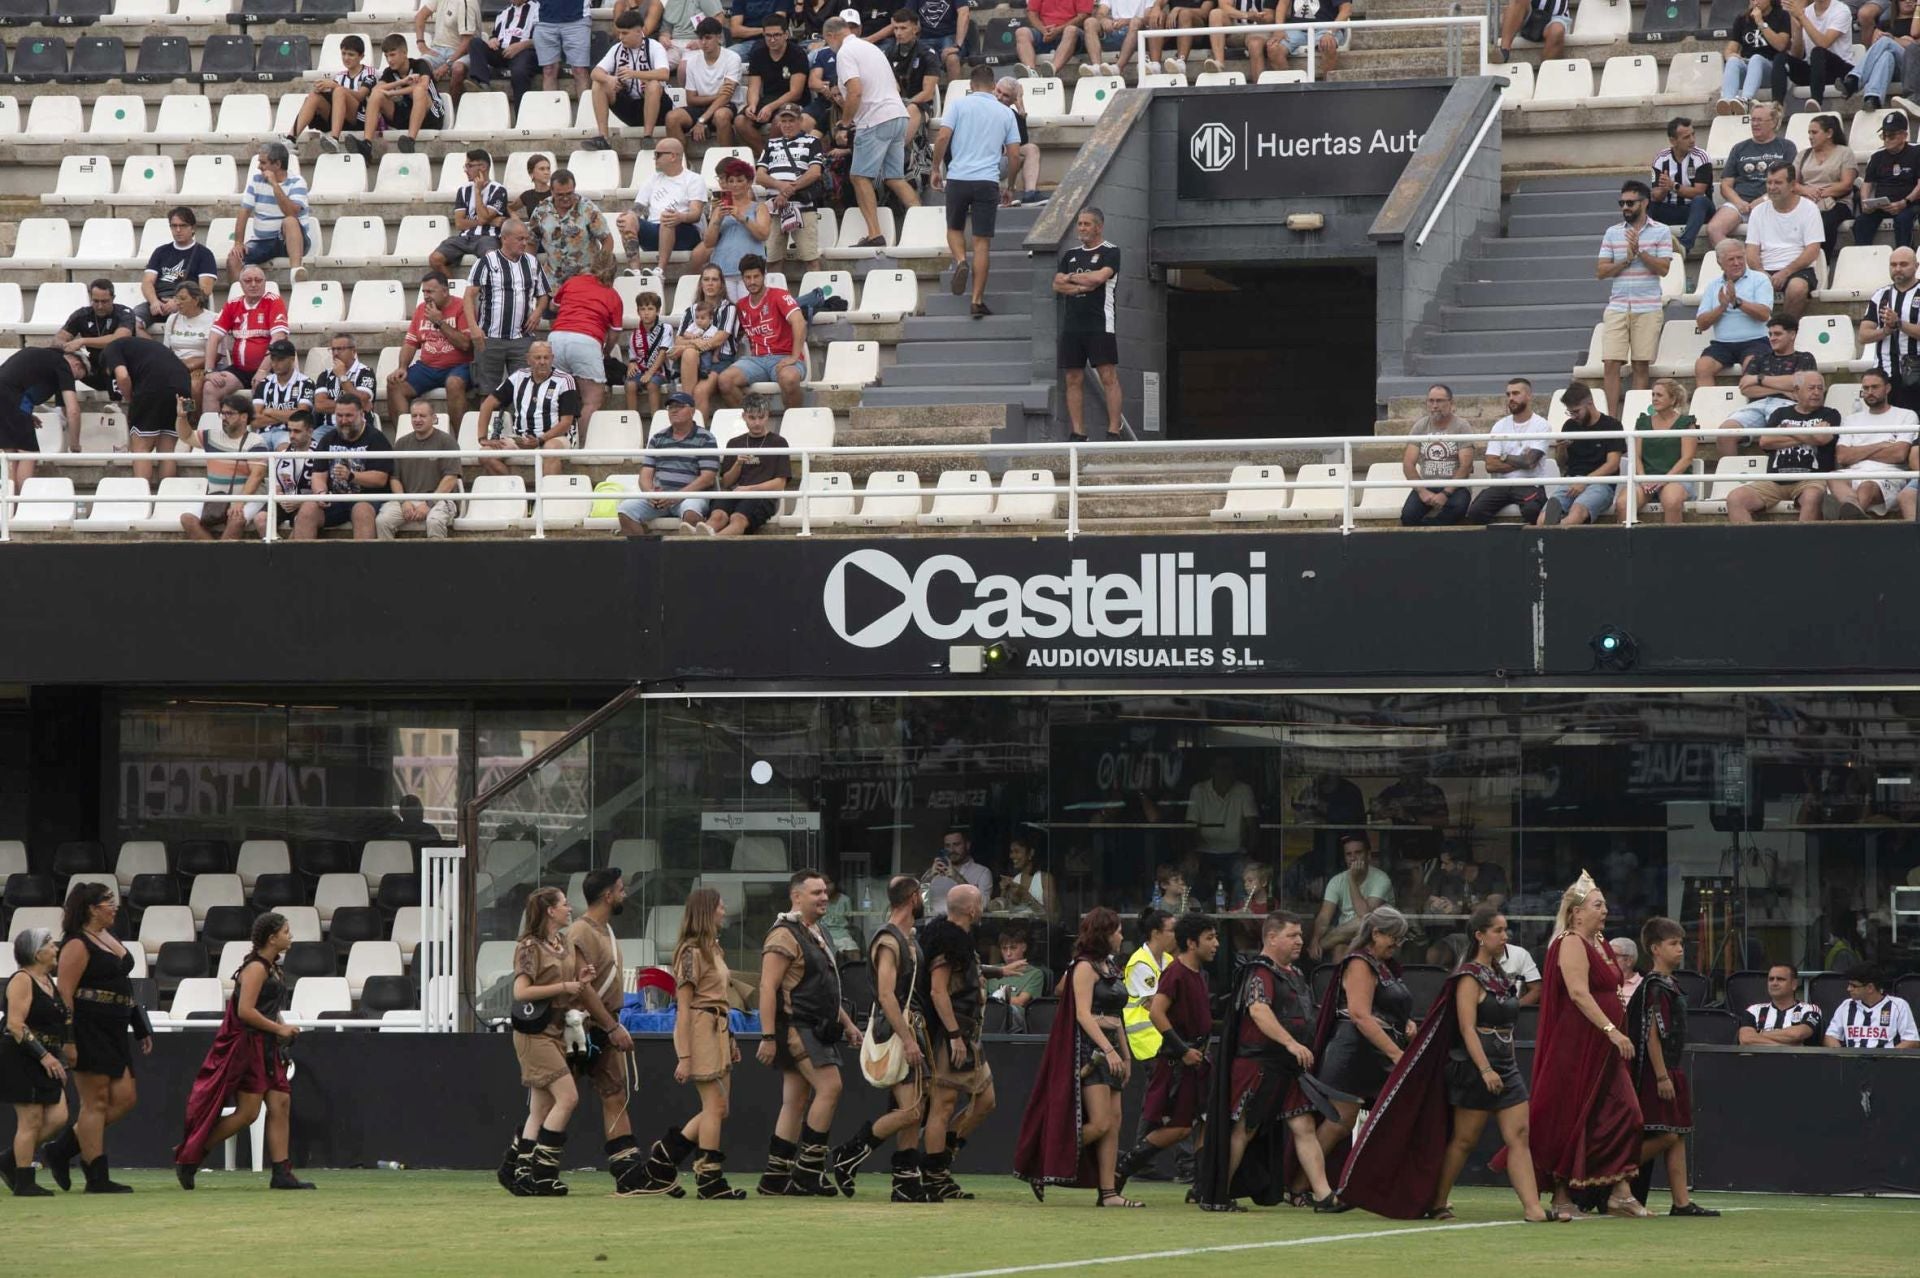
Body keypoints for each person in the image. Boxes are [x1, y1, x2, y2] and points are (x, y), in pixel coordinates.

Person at [1339, 906, 1549, 1222]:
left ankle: (1533, 1209)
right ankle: (1437, 1201)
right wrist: (1485, 1069)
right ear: (1480, 936)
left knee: (1519, 1135)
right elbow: (1465, 1028)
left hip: (1506, 1063)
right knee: (1464, 1140)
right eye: (1498, 930)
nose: (1505, 936)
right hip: (1476, 1068)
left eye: (1506, 930)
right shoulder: (1468, 977)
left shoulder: (1500, 976)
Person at [1192, 912, 1348, 1213]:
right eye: (1292, 935)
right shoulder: (1260, 972)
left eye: (1301, 935)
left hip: (1286, 1067)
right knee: (1245, 1129)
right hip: (1258, 1067)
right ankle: (1217, 1194)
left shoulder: (1294, 973)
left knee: (1303, 1126)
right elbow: (1259, 1011)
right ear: (1272, 937)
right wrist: (1290, 1042)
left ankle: (1324, 1195)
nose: (1300, 941)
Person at [1520, 870, 1648, 1221]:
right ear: (1576, 912)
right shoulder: (1571, 942)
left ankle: (1620, 1193)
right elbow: (1578, 993)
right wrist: (1612, 1030)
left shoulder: (1601, 943)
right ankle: (1562, 1196)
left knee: (1624, 1112)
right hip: (1578, 1042)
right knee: (1571, 1111)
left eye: (1605, 903)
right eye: (1596, 904)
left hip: (1603, 1046)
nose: (1604, 909)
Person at [1012, 906, 1141, 1206]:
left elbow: (1115, 1016)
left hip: (1112, 1052)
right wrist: (1108, 1050)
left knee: (1115, 1122)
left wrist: (1127, 1055)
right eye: (1118, 930)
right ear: (1105, 933)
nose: (1122, 935)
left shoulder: (1110, 966)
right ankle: (1043, 1163)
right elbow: (1082, 1014)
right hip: (1089, 1052)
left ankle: (1108, 1193)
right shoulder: (1083, 967)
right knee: (1100, 1122)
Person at [173, 913, 312, 1191]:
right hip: (250, 1048)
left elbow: (267, 1008)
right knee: (248, 1113)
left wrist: (281, 1027)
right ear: (272, 938)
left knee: (280, 1104)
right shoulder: (256, 969)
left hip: (269, 1047)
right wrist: (278, 1030)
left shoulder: (272, 968)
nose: (290, 936)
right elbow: (245, 1012)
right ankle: (192, 1155)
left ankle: (281, 1172)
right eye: (286, 931)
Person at [756, 869, 863, 1197]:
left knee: (796, 1100)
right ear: (796, 897)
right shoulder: (783, 935)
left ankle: (775, 1177)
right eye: (815, 892)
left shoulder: (817, 932)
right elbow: (767, 986)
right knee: (830, 1088)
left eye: (825, 891)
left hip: (817, 1027)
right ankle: (807, 1172)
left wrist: (847, 1023)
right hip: (798, 1027)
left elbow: (826, 991)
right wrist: (768, 1036)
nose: (823, 897)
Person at [40, 882, 149, 1195]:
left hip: (114, 1027)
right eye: (107, 902)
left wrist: (139, 1025)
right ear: (91, 908)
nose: (114, 907)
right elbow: (65, 994)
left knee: (125, 1097)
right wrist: (69, 1038)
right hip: (88, 1027)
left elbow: (121, 983)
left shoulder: (107, 937)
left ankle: (60, 1150)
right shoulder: (76, 944)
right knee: (95, 1102)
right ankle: (96, 1175)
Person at [645, 886, 747, 1198]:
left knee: (719, 1108)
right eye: (719, 905)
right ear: (707, 910)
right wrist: (684, 1055)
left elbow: (720, 997)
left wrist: (729, 1038)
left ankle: (664, 1159)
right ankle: (708, 1178)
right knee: (715, 1106)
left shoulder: (712, 949)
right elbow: (684, 1007)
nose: (724, 909)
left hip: (718, 1027)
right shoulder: (691, 953)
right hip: (702, 1029)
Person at [907, 883, 1007, 1201]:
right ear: (972, 910)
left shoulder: (959, 940)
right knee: (943, 1103)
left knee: (986, 1100)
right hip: (952, 1035)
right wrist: (952, 1035)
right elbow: (938, 990)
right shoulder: (947, 940)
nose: (983, 908)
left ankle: (943, 1157)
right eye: (980, 903)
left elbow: (967, 972)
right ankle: (935, 1175)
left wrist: (999, 970)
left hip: (969, 1035)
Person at [838, 874, 932, 1201]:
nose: (924, 900)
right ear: (912, 899)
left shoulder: (905, 937)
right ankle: (848, 1155)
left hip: (912, 1029)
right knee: (913, 1111)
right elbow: (887, 996)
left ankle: (905, 1182)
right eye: (921, 894)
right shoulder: (889, 941)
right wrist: (907, 1040)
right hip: (896, 1031)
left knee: (913, 1106)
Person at [1624, 917, 1720, 1216]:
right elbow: (1652, 1032)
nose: (1680, 949)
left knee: (1677, 1134)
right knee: (1664, 1134)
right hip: (1657, 1071)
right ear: (1655, 948)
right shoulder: (1654, 985)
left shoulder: (1669, 983)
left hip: (1670, 1068)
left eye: (1681, 943)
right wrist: (1662, 1075)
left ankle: (1681, 1201)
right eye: (1673, 944)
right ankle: (1613, 1175)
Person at [1115, 913, 1217, 1190]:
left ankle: (1201, 1185)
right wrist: (1182, 1050)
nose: (1216, 944)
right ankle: (1126, 1165)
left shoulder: (1193, 972)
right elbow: (1156, 1012)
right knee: (1179, 1126)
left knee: (1204, 1119)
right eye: (1209, 938)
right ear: (1192, 943)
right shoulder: (1175, 973)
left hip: (1197, 1058)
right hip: (1175, 1058)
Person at [559, 868, 645, 1194]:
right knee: (554, 1098)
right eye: (621, 889)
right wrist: (612, 1027)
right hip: (582, 1027)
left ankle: (628, 1171)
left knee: (615, 1093)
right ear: (608, 895)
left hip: (603, 1025)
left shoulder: (605, 930)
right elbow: (584, 989)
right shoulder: (581, 932)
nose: (625, 894)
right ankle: (526, 1163)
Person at [502, 888, 587, 1196]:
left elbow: (565, 984)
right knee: (567, 1098)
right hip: (534, 1033)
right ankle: (543, 1172)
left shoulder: (563, 943)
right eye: (564, 903)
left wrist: (580, 982)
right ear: (550, 911)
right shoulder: (529, 946)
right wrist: (563, 985)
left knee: (541, 1108)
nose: (569, 908)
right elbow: (521, 992)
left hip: (555, 1030)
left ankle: (523, 1172)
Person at [1312, 907, 1415, 1157]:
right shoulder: (1360, 962)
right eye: (1394, 937)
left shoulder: (1382, 965)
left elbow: (1379, 1007)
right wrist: (1397, 1055)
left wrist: (1405, 1022)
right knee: (1340, 1122)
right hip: (1353, 1052)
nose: (1396, 945)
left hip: (1370, 1053)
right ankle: (1300, 1184)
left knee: (1377, 1120)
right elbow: (1360, 1015)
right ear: (1376, 933)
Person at [935, 65, 1021, 319]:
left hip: (959, 176)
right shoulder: (1006, 112)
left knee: (954, 229)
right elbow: (1015, 155)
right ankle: (976, 300)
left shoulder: (959, 106)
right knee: (982, 242)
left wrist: (935, 169)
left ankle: (960, 260)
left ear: (971, 85)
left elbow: (942, 138)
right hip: (987, 180)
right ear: (993, 86)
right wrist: (1011, 186)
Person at [824, 17, 917, 249]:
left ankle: (875, 234)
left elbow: (855, 90)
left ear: (831, 36)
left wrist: (844, 124)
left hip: (876, 119)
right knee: (894, 177)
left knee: (858, 177)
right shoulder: (871, 48)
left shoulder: (845, 53)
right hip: (897, 114)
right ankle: (923, 220)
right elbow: (895, 86)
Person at [1, 928, 68, 1198]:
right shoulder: (22, 980)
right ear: (36, 952)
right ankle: (24, 1180)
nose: (56, 948)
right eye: (50, 944)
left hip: (47, 1055)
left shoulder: (49, 982)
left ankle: (9, 1160)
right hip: (22, 1056)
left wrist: (58, 1056)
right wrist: (44, 1055)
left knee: (58, 1117)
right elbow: (16, 1025)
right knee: (30, 1119)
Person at [1597, 180, 1672, 417]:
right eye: (1622, 203)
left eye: (1630, 203)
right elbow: (1601, 271)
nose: (1625, 207)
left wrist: (1640, 252)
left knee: (1640, 364)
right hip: (1618, 304)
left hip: (1648, 305)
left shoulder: (1661, 230)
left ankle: (1636, 416)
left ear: (1645, 202)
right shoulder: (1613, 232)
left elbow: (1663, 268)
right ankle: (1610, 419)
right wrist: (1625, 260)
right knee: (1611, 362)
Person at [1727, 368, 1839, 523]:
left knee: (1813, 497)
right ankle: (1749, 545)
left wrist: (1788, 430)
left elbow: (1822, 439)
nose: (1817, 392)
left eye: (1820, 388)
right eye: (1811, 388)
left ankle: (1801, 546)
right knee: (1735, 498)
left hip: (1811, 479)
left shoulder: (1830, 414)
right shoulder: (1780, 413)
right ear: (1796, 391)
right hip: (1775, 480)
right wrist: (1809, 434)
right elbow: (1765, 441)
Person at [1055, 207, 1124, 441]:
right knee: (1073, 378)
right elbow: (1056, 284)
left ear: (1098, 227)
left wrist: (1071, 278)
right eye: (1080, 224)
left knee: (1108, 376)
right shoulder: (1071, 255)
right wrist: (1080, 287)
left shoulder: (1110, 251)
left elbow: (1099, 278)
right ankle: (1078, 432)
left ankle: (1114, 429)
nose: (1082, 228)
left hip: (1100, 324)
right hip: (1073, 325)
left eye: (1087, 224)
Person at [465, 221, 552, 398]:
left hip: (522, 338)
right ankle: (488, 426)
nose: (524, 243)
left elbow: (544, 294)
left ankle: (517, 426)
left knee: (523, 391)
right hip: (490, 337)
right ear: (504, 238)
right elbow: (468, 296)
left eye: (526, 239)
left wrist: (537, 312)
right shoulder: (487, 262)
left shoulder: (532, 262)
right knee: (487, 392)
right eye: (520, 239)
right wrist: (474, 328)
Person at [476, 340, 581, 478]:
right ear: (528, 359)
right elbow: (487, 405)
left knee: (549, 450)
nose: (542, 362)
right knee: (485, 454)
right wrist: (482, 438)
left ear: (552, 358)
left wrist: (540, 440)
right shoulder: (518, 377)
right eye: (537, 358)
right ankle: (515, 492)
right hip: (521, 438)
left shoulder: (565, 380)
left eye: (546, 357)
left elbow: (566, 422)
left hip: (556, 438)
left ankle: (546, 498)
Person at [618, 390, 719, 532]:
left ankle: (693, 553)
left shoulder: (706, 438)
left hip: (690, 496)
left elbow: (708, 478)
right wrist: (649, 493)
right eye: (671, 407)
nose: (674, 411)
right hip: (660, 497)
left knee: (691, 513)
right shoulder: (658, 438)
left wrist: (676, 496)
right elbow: (645, 473)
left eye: (680, 406)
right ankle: (643, 552)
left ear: (692, 411)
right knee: (625, 511)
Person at [103, 334, 194, 485]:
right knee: (167, 452)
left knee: (141, 448)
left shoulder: (111, 348)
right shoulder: (147, 347)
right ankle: (166, 500)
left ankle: (142, 501)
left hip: (153, 389)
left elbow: (123, 376)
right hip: (184, 390)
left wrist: (131, 399)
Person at [388, 271, 476, 428]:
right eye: (424, 292)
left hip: (458, 366)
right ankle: (405, 439)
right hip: (427, 367)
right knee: (395, 384)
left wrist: (439, 321)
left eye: (430, 291)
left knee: (454, 383)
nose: (426, 296)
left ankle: (460, 441)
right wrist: (402, 367)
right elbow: (410, 343)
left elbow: (466, 345)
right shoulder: (422, 309)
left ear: (444, 291)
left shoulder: (461, 307)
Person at [719, 255, 807, 408]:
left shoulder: (779, 295)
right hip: (757, 360)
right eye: (748, 277)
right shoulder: (741, 305)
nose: (752, 281)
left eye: (756, 276)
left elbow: (799, 322)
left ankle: (793, 424)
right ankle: (753, 420)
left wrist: (794, 356)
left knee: (790, 378)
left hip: (784, 357)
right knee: (725, 381)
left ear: (764, 276)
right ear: (742, 278)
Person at [1830, 368, 1919, 519]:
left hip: (1888, 474)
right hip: (1852, 473)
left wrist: (1857, 453)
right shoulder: (1851, 419)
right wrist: (1879, 445)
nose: (1870, 392)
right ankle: (1853, 511)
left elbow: (1899, 454)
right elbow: (1842, 457)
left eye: (1875, 387)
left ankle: (1846, 523)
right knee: (1832, 477)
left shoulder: (1906, 415)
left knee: (1867, 486)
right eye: (1866, 388)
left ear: (1888, 388)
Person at [547, 257, 625, 428]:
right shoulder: (613, 295)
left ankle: (556, 443)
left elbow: (553, 306)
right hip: (586, 341)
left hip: (556, 338)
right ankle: (580, 449)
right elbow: (614, 335)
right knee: (592, 400)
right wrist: (605, 351)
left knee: (557, 398)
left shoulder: (573, 282)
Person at [202, 265, 290, 415]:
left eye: (258, 280)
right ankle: (213, 434)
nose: (253, 284)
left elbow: (278, 338)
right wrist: (209, 370)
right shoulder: (232, 304)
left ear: (265, 282)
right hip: (240, 370)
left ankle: (257, 434)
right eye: (248, 281)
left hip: (270, 368)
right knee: (210, 388)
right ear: (240, 284)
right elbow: (214, 337)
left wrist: (263, 370)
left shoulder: (274, 302)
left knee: (261, 386)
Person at [1706, 103, 1796, 248]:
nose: (1755, 124)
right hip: (1740, 203)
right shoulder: (1739, 148)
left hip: (1773, 201)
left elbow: (1791, 183)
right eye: (1753, 120)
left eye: (1760, 120)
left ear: (1773, 122)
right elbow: (1725, 185)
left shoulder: (1786, 147)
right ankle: (1739, 262)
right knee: (1714, 229)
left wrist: (1764, 199)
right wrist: (1739, 202)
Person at [1465, 376, 1552, 525]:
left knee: (1532, 510)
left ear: (1529, 396)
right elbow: (1490, 465)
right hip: (1502, 484)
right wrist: (1521, 460)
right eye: (1508, 394)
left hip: (1530, 484)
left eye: (1516, 393)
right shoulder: (1499, 426)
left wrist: (1503, 457)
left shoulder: (1541, 425)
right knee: (1475, 511)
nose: (1511, 398)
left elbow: (1530, 462)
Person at [301, 398, 392, 540]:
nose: (343, 420)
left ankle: (363, 562)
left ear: (361, 414)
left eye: (349, 416)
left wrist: (352, 476)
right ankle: (300, 561)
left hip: (368, 498)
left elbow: (380, 479)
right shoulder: (328, 438)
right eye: (339, 416)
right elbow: (318, 475)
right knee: (308, 508)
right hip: (336, 498)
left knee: (361, 510)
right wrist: (321, 493)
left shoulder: (376, 438)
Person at [702, 393, 790, 536]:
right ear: (744, 417)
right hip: (735, 493)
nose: (757, 422)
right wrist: (738, 464)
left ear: (767, 416)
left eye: (761, 417)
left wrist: (749, 489)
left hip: (763, 497)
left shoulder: (779, 442)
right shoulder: (734, 443)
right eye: (752, 417)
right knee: (717, 515)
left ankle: (707, 542)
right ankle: (700, 537)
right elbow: (726, 482)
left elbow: (780, 483)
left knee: (738, 518)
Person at [1747, 161, 1824, 322]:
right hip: (1764, 268)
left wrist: (1786, 271)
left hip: (1798, 269)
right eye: (1769, 182)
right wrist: (1761, 273)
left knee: (1797, 288)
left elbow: (1813, 250)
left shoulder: (1809, 208)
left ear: (1792, 185)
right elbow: (1751, 252)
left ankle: (1784, 330)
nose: (1772, 187)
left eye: (1778, 182)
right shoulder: (1758, 212)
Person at [757, 105, 828, 277]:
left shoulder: (812, 142)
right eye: (784, 121)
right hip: (775, 208)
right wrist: (780, 186)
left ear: (800, 121)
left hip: (802, 206)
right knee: (772, 259)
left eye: (792, 121)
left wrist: (787, 191)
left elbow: (814, 172)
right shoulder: (771, 144)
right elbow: (759, 176)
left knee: (810, 258)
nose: (787, 125)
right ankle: (777, 299)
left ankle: (817, 294)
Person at [1694, 241, 1776, 390]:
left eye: (1740, 258)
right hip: (1722, 344)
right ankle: (1708, 409)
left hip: (1756, 341)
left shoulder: (1760, 279)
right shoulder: (1713, 286)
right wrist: (1722, 308)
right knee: (1702, 366)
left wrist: (1737, 302)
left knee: (1752, 365)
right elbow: (1702, 324)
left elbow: (1764, 314)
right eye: (1731, 259)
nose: (1737, 263)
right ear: (1720, 263)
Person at [376, 400, 462, 539]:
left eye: (422, 416)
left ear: (433, 418)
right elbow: (394, 478)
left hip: (440, 500)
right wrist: (404, 501)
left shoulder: (447, 441)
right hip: (407, 499)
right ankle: (389, 560)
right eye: (414, 416)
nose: (417, 419)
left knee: (434, 521)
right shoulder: (401, 443)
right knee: (382, 521)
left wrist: (429, 503)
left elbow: (450, 479)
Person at [623, 140, 709, 278]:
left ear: (673, 156)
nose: (654, 158)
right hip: (654, 230)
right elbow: (638, 209)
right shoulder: (652, 179)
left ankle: (660, 271)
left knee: (667, 217)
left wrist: (680, 217)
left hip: (684, 232)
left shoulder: (694, 179)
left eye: (658, 154)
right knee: (628, 219)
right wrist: (628, 217)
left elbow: (696, 213)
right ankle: (635, 271)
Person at [1620, 377, 1699, 525]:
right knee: (1624, 503)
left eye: (1659, 395)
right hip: (1646, 479)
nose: (1654, 399)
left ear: (1673, 399)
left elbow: (1687, 458)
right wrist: (1643, 479)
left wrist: (1663, 480)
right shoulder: (1643, 422)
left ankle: (1671, 545)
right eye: (1653, 395)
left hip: (1676, 479)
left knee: (1671, 501)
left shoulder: (1686, 423)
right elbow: (1635, 455)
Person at [230, 140, 313, 280]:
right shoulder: (255, 180)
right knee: (233, 258)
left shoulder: (297, 182)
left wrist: (275, 185)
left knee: (290, 221)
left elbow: (291, 213)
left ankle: (295, 274)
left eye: (263, 163)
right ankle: (237, 299)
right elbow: (244, 212)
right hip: (262, 242)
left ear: (278, 164)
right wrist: (238, 243)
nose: (259, 167)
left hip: (292, 240)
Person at [0, 346, 82, 485]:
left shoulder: (40, 355)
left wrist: (26, 415)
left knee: (10, 455)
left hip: (7, 399)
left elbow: (15, 382)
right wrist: (74, 444)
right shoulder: (62, 364)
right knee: (29, 454)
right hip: (12, 399)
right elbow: (73, 411)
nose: (71, 380)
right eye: (77, 376)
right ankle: (23, 503)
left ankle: (10, 505)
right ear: (76, 364)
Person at [287, 33, 379, 157]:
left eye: (351, 54)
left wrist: (335, 86)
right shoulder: (340, 76)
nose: (346, 58)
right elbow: (334, 99)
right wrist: (322, 91)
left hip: (360, 118)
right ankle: (291, 139)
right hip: (340, 117)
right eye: (344, 54)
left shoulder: (369, 73)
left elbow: (360, 96)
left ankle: (334, 139)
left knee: (339, 91)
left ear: (361, 56)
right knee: (314, 96)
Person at [691, 158, 773, 295]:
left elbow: (764, 234)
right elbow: (708, 242)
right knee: (725, 314)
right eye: (731, 181)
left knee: (748, 314)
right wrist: (717, 219)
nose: (735, 185)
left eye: (740, 180)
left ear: (749, 183)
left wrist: (742, 217)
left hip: (750, 273)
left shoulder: (759, 207)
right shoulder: (719, 209)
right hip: (723, 270)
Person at [1400, 383, 1476, 526]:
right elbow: (1408, 464)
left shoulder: (1461, 426)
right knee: (1408, 516)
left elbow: (1466, 466)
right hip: (1426, 484)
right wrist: (1422, 491)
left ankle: (1430, 535)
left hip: (1456, 487)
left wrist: (1445, 493)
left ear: (1451, 403)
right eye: (1431, 401)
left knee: (1457, 510)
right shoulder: (1420, 426)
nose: (1435, 405)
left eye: (1440, 401)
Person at [363, 32, 450, 155]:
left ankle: (410, 141)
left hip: (431, 115)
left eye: (392, 55)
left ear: (404, 53)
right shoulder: (389, 72)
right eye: (386, 56)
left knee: (419, 91)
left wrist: (393, 92)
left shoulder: (420, 64)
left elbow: (423, 86)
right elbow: (376, 90)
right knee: (376, 96)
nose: (389, 60)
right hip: (406, 115)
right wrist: (402, 81)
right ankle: (366, 144)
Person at [1858, 245, 1920, 418]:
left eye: (1903, 264)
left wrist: (1899, 323)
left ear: (1916, 266)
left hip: (1916, 374)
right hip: (1886, 375)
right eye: (1893, 265)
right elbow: (1863, 335)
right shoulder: (1880, 295)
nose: (1897, 269)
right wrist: (1885, 330)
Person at [1310, 833, 1393, 960]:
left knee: (1362, 923)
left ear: (1368, 855)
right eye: (1349, 854)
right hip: (1346, 936)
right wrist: (1315, 940)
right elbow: (1324, 917)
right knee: (1339, 953)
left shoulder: (1381, 879)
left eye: (1358, 852)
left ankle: (1324, 944)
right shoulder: (1336, 881)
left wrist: (1352, 880)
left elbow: (1365, 915)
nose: (1353, 858)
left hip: (1374, 934)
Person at [137, 207, 220, 333]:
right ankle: (157, 351)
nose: (178, 230)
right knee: (129, 323)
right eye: (174, 226)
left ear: (193, 228)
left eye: (183, 225)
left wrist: (177, 302)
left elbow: (205, 290)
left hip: (187, 304)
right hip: (158, 303)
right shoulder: (161, 251)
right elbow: (147, 282)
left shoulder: (204, 254)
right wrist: (154, 301)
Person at [529, 170, 616, 289]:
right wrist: (531, 272)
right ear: (552, 191)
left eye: (569, 193)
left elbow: (607, 240)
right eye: (560, 195)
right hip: (553, 284)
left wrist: (599, 271)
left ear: (574, 188)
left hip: (586, 282)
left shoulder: (588, 209)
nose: (565, 198)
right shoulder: (541, 211)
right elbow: (531, 243)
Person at [432, 150, 510, 277]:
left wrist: (478, 192)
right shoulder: (463, 190)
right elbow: (459, 223)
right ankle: (453, 291)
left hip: (488, 237)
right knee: (435, 259)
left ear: (483, 167)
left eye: (469, 166)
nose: (465, 170)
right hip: (464, 238)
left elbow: (483, 217)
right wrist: (490, 221)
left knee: (492, 259)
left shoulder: (498, 190)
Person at [1187, 754, 1255, 899]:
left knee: (1246, 876)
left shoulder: (1244, 790)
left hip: (1236, 852)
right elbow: (1190, 827)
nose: (1225, 772)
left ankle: (1237, 917)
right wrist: (1191, 854)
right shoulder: (1198, 790)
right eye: (1220, 768)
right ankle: (1197, 915)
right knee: (1190, 872)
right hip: (1204, 851)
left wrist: (1249, 853)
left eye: (1229, 768)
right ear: (1212, 770)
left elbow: (1253, 825)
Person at [1770, 0, 1855, 115]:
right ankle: (1777, 107)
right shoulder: (1807, 12)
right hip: (1815, 69)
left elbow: (1823, 43)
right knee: (1781, 58)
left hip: (1839, 70)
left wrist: (1802, 17)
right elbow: (1797, 55)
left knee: (1818, 51)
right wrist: (1798, 30)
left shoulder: (1841, 10)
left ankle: (1815, 102)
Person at [669, 18, 744, 145]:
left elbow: (726, 98)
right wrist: (717, 96)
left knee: (721, 116)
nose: (703, 42)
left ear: (719, 38)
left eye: (708, 38)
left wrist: (701, 120)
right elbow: (691, 99)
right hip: (701, 107)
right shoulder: (692, 62)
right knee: (672, 118)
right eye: (700, 38)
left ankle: (726, 162)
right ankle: (682, 163)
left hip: (726, 106)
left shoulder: (732, 58)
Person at [739, 21, 810, 151]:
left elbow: (796, 92)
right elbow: (754, 86)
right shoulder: (758, 53)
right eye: (768, 35)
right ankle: (766, 155)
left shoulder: (797, 53)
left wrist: (770, 107)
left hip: (793, 101)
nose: (772, 39)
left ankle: (773, 156)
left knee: (780, 121)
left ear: (786, 35)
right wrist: (752, 105)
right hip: (768, 98)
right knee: (740, 121)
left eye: (776, 35)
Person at [1795, 114, 1858, 259]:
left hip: (1837, 201)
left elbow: (1846, 184)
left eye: (1814, 132)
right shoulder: (1803, 155)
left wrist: (1819, 193)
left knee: (1825, 221)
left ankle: (1824, 261)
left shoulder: (1844, 153)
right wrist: (1806, 190)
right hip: (1807, 200)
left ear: (1829, 133)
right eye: (1809, 133)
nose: (1810, 136)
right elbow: (1792, 183)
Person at [55, 279, 134, 394]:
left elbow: (118, 338)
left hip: (122, 364)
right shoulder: (82, 315)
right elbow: (59, 338)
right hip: (94, 366)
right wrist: (66, 348)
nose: (100, 306)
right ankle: (62, 406)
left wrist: (82, 341)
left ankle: (117, 401)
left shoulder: (124, 313)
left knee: (115, 360)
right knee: (63, 362)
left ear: (113, 298)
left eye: (105, 301)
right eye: (95, 301)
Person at [1854, 113, 1920, 249]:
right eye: (1884, 135)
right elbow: (1867, 184)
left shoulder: (1916, 153)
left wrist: (1904, 202)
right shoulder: (1877, 156)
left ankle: (1904, 256)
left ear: (1904, 136)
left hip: (1909, 202)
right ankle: (1863, 257)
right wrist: (1865, 202)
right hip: (1882, 204)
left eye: (1891, 136)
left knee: (1903, 219)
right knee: (1861, 222)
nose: (1886, 140)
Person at [1649, 118, 1713, 256]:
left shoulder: (1701, 157)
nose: (1692, 140)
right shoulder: (1660, 159)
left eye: (1693, 135)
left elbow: (1699, 192)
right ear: (1673, 141)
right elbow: (1656, 195)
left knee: (1700, 201)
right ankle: (1643, 247)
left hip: (1699, 211)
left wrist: (1673, 186)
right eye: (1686, 137)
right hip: (1671, 209)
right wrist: (1664, 189)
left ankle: (1684, 246)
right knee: (1645, 202)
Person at [1122, 908, 1175, 1066]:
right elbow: (1153, 1004)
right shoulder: (1140, 962)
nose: (1176, 935)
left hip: (1166, 1041)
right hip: (1149, 1044)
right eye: (1171, 930)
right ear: (1155, 933)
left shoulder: (1168, 959)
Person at [1822, 963, 1920, 1048]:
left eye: (1853, 986)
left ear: (1870, 988)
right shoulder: (1846, 1005)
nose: (1848, 989)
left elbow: (1912, 1041)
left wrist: (1887, 1059)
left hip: (1886, 1066)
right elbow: (1830, 1037)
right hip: (1851, 1065)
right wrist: (1842, 1058)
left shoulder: (1898, 1006)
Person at [467, 1, 541, 110]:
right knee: (475, 43)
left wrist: (520, 46)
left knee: (519, 72)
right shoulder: (504, 12)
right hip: (502, 51)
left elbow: (542, 38)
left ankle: (521, 117)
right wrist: (492, 40)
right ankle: (481, 84)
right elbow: (495, 34)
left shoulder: (538, 9)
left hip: (524, 51)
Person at [1721, 0, 1791, 114]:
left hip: (1771, 69)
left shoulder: (1782, 15)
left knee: (1756, 58)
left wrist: (1760, 22)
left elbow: (1781, 45)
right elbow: (1730, 48)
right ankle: (1727, 102)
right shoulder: (1742, 19)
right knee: (1733, 61)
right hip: (1749, 68)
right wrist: (1730, 55)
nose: (1756, 1)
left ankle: (1746, 100)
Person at [1737, 963, 1826, 1045]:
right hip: (1759, 1061)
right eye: (1771, 979)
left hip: (1797, 1062)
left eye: (1780, 979)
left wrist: (1760, 1034)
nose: (1774, 983)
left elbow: (1797, 1034)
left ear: (1794, 984)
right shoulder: (1753, 1010)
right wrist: (1785, 1046)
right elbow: (1746, 1039)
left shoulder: (1809, 1009)